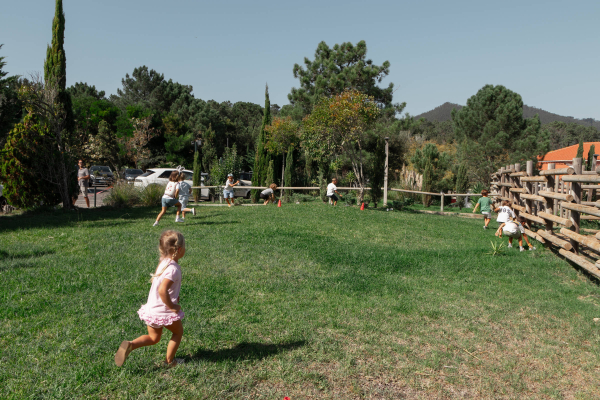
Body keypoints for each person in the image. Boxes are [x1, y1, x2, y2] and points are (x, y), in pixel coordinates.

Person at [115, 230, 186, 367]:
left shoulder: (163, 262)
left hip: (152, 308)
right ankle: (169, 362)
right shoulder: (174, 269)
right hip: (164, 310)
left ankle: (130, 345)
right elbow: (162, 289)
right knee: (178, 333)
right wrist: (172, 306)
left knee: (154, 338)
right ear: (180, 250)